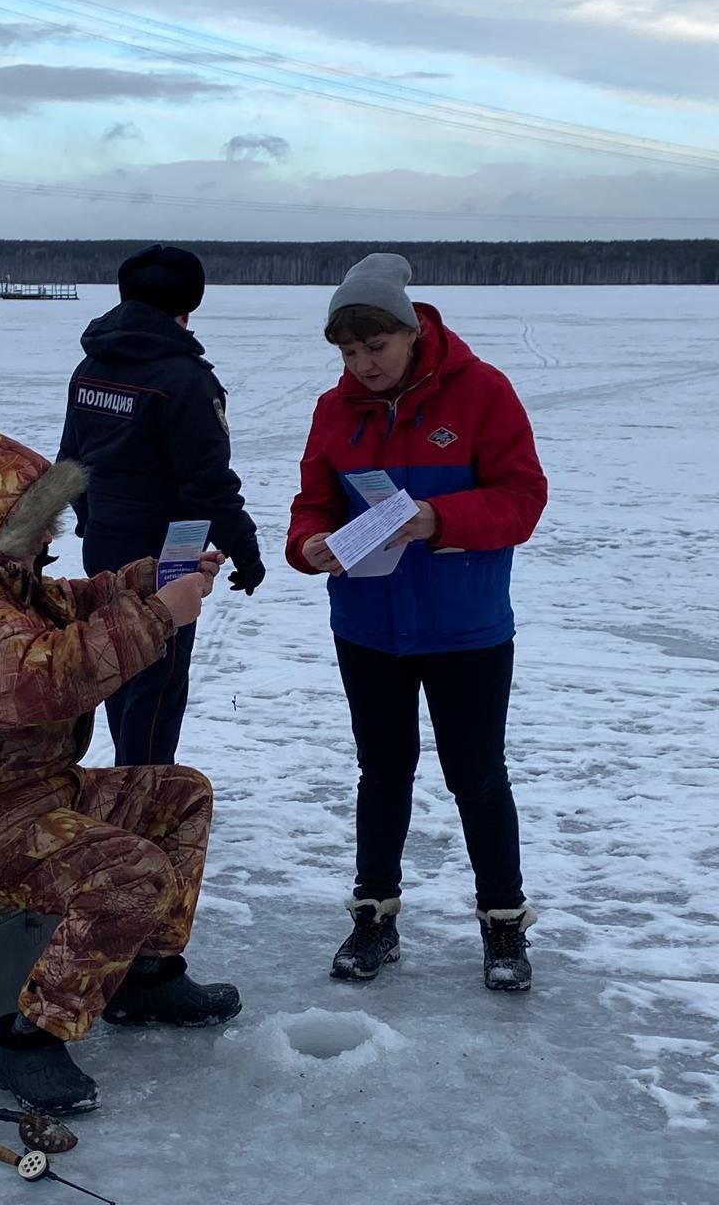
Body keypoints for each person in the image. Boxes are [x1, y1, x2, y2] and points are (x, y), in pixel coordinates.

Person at [0, 428, 240, 1115]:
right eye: (40, 519)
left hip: (27, 791)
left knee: (179, 796)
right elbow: (37, 682)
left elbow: (71, 605)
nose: (53, 534)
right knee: (125, 868)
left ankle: (146, 977)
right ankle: (29, 1042)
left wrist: (143, 582)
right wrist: (159, 618)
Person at [285, 254, 548, 991]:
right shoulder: (335, 411)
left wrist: (438, 518)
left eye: (375, 348)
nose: (362, 365)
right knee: (382, 772)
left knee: (477, 776)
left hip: (466, 627)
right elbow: (314, 503)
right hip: (369, 626)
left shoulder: (482, 392)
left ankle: (503, 924)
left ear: (410, 332)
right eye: (348, 352)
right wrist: (307, 544)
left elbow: (523, 498)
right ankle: (375, 915)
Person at [57, 244, 264, 767]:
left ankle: (129, 792)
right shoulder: (186, 382)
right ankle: (142, 807)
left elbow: (70, 464)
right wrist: (244, 546)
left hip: (104, 546)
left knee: (118, 667)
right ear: (186, 310)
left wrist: (88, 521)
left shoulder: (91, 368)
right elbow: (208, 482)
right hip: (167, 558)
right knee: (157, 683)